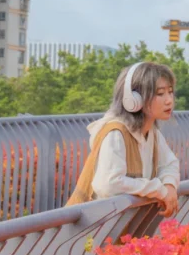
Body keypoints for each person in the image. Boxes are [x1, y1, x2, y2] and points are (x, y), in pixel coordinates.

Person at [67, 62, 180, 213]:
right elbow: (108, 184)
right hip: (91, 230)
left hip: (115, 225)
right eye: (160, 94)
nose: (169, 100)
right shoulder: (115, 133)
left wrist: (169, 186)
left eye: (170, 92)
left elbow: (170, 164)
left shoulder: (152, 133)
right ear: (134, 99)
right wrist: (159, 190)